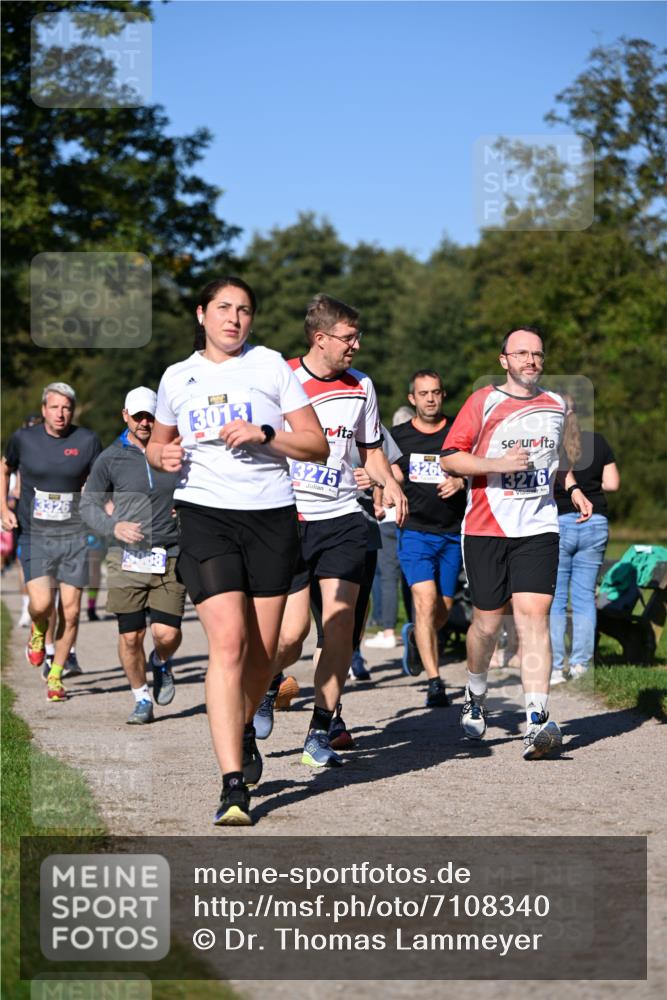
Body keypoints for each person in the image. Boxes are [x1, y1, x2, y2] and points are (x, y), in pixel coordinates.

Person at [146, 276, 327, 826]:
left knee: (262, 651)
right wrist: (162, 458)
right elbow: (158, 442)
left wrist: (265, 434)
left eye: (244, 310)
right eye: (223, 308)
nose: (234, 318)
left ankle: (244, 726)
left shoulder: (272, 366)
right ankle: (231, 785)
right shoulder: (178, 376)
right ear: (202, 314)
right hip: (204, 514)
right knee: (227, 642)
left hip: (271, 516)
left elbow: (315, 444)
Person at [263, 293, 408, 768]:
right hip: (290, 517)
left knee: (340, 627)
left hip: (343, 516)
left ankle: (320, 730)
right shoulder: (280, 379)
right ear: (319, 339)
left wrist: (390, 483)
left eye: (357, 337)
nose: (357, 346)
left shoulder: (361, 385)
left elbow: (370, 450)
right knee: (290, 636)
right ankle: (267, 684)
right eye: (348, 338)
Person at [441, 327, 592, 759]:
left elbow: (556, 461)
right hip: (487, 526)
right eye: (521, 353)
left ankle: (537, 721)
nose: (531, 360)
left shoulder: (557, 405)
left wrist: (573, 488)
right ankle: (475, 690)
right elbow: (451, 456)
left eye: (537, 354)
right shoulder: (483, 402)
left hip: (538, 526)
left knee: (534, 617)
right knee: (487, 624)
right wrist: (497, 464)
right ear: (503, 360)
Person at [80, 386, 187, 724]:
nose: (144, 422)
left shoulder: (176, 449)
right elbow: (88, 504)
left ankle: (161, 661)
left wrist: (183, 509)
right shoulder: (110, 458)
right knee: (130, 636)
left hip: (171, 553)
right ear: (125, 416)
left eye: (150, 416)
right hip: (127, 556)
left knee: (166, 635)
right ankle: (141, 698)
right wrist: (113, 526)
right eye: (138, 415)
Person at [1, 383, 102, 702]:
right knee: (43, 604)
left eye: (67, 408)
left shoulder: (86, 440)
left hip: (74, 537)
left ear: (73, 411)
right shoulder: (23, 439)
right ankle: (38, 629)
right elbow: (5, 468)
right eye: (55, 407)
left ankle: (56, 675)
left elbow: (99, 479)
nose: (61, 413)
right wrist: (3, 507)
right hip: (37, 534)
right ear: (44, 409)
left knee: (71, 613)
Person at [390, 371, 467, 706]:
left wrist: (461, 481)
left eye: (436, 392)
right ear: (412, 399)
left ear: (443, 394)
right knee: (424, 602)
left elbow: (475, 468)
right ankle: (435, 683)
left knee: (442, 611)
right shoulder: (398, 437)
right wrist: (382, 485)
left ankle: (414, 636)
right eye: (423, 394)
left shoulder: (459, 433)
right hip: (415, 532)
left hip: (452, 533)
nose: (430, 399)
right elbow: (387, 471)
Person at [549, 396, 620, 682]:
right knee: (584, 597)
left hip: (559, 522)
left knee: (555, 599)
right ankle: (580, 665)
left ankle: (554, 667)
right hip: (596, 523)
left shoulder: (549, 444)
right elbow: (613, 484)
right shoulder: (597, 441)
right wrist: (591, 486)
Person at [365, 405, 415, 650]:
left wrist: (379, 485)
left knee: (388, 577)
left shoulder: (380, 438)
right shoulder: (408, 440)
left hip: (387, 517)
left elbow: (395, 475)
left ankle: (387, 630)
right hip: (403, 516)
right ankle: (414, 628)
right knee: (406, 577)